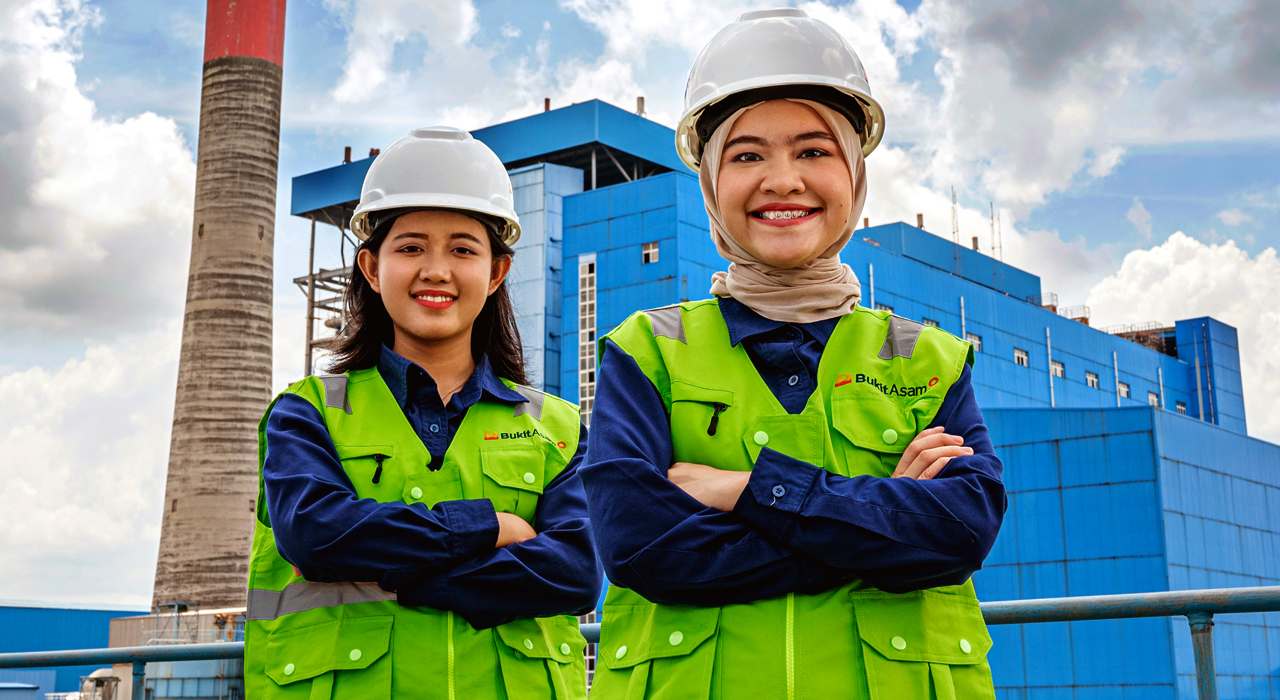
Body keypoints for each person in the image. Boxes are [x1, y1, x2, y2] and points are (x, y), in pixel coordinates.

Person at [582, 9, 1005, 699]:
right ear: (713, 182)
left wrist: (745, 490)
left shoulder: (924, 357)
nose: (782, 180)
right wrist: (881, 530)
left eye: (814, 150)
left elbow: (961, 530)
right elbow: (641, 548)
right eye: (747, 155)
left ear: (855, 175)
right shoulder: (648, 351)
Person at [244, 127, 601, 700]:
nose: (436, 270)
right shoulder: (309, 412)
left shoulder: (555, 428)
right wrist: (489, 526)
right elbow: (313, 535)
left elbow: (576, 572)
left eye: (463, 249)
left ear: (496, 272)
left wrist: (386, 569)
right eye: (410, 247)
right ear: (370, 267)